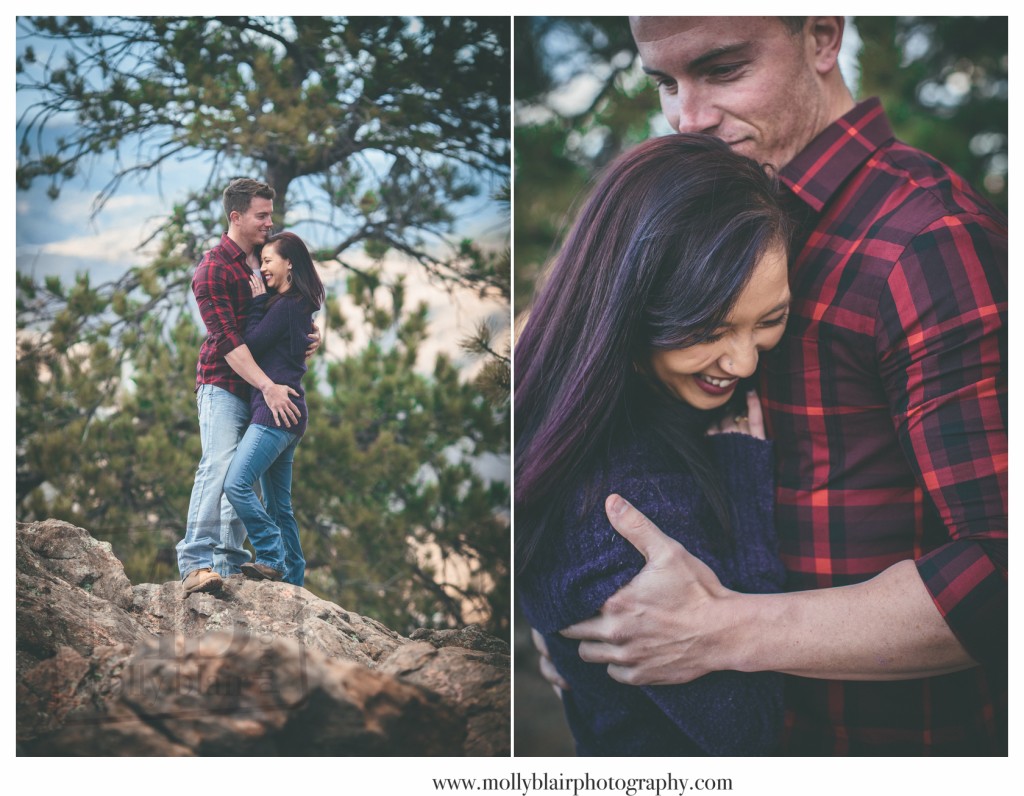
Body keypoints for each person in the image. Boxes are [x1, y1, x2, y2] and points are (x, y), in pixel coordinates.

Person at [536, 16, 1007, 755]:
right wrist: (588, 627)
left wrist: (724, 633)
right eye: (665, 82)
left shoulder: (925, 241)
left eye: (722, 70)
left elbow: (1005, 570)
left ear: (822, 38)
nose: (688, 119)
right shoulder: (702, 212)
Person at [516, 133, 792, 756]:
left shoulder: (618, 415)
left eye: (770, 319)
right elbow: (750, 733)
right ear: (630, 312)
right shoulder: (623, 513)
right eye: (712, 329)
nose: (745, 361)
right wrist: (748, 500)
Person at [175, 179, 318, 596]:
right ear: (235, 217)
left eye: (270, 215)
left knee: (246, 482)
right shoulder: (213, 269)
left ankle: (230, 564)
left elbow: (292, 305)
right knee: (219, 466)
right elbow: (229, 344)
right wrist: (269, 386)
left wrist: (310, 332)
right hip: (224, 383)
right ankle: (196, 562)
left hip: (255, 392)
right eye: (261, 215)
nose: (269, 223)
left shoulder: (264, 260)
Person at [223, 232, 324, 586]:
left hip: (275, 415)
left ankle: (270, 555)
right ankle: (293, 581)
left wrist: (254, 303)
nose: (263, 268)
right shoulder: (295, 305)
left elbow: (250, 345)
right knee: (280, 508)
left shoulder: (284, 306)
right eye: (261, 261)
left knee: (236, 484)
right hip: (290, 415)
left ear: (289, 263)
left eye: (268, 261)